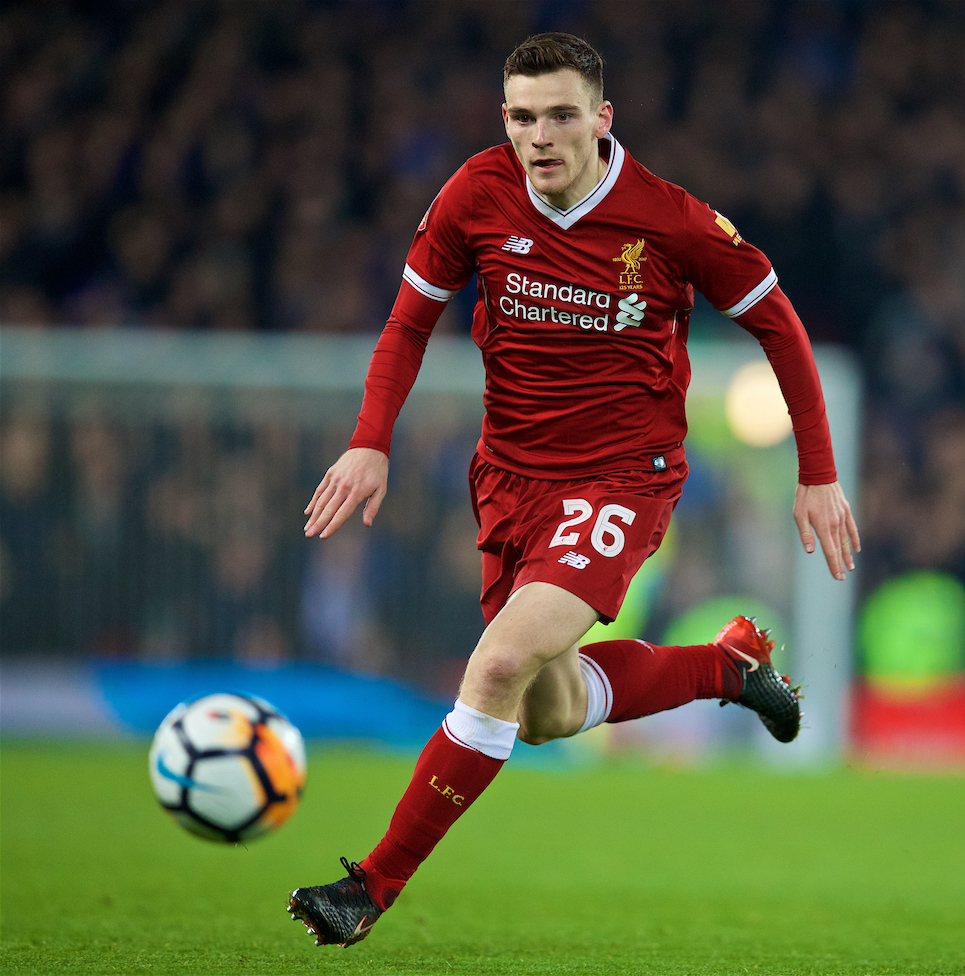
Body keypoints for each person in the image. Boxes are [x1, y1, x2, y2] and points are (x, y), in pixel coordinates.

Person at [288, 32, 859, 948]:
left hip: (623, 481)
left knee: (498, 667)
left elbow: (781, 328)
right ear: (503, 120)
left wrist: (818, 474)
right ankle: (728, 667)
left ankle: (371, 887)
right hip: (510, 480)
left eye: (560, 115)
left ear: (601, 117)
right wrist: (369, 444)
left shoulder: (668, 220)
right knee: (546, 714)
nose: (540, 136)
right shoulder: (475, 195)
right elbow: (407, 323)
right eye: (522, 117)